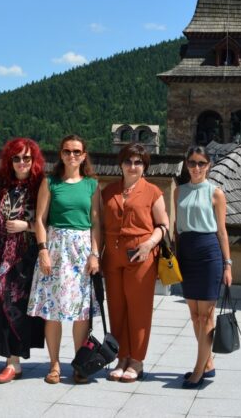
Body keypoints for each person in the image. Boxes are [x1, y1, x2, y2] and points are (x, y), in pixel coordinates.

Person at [28, 134, 101, 384]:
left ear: (84, 155)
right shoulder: (50, 183)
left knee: (81, 312)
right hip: (56, 248)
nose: (72, 155)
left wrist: (95, 254)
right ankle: (54, 364)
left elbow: (96, 223)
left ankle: (79, 364)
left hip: (81, 250)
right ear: (61, 154)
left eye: (77, 151)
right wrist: (43, 250)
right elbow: (40, 219)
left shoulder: (92, 185)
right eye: (67, 151)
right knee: (53, 310)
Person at [95, 143, 169, 383]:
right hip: (112, 258)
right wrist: (96, 255)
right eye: (128, 161)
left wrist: (149, 244)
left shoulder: (153, 192)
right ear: (121, 164)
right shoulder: (109, 191)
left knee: (139, 310)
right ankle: (121, 357)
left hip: (141, 257)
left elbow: (163, 225)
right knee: (116, 310)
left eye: (138, 162)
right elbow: (100, 226)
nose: (133, 166)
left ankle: (136, 360)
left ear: (144, 166)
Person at [0, 137, 45, 384]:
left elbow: (51, 221)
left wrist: (27, 226)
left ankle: (14, 362)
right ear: (9, 160)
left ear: (34, 160)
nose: (22, 162)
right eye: (16, 158)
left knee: (16, 308)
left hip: (23, 259)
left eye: (27, 158)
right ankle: (8, 357)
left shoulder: (41, 186)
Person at [174, 146, 232, 389]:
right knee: (194, 315)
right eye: (192, 163)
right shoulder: (179, 191)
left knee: (207, 315)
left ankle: (198, 371)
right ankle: (208, 363)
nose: (196, 167)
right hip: (186, 253)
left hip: (209, 253)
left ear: (209, 165)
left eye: (201, 163)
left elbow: (222, 231)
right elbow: (176, 227)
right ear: (186, 165)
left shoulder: (215, 193)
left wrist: (228, 265)